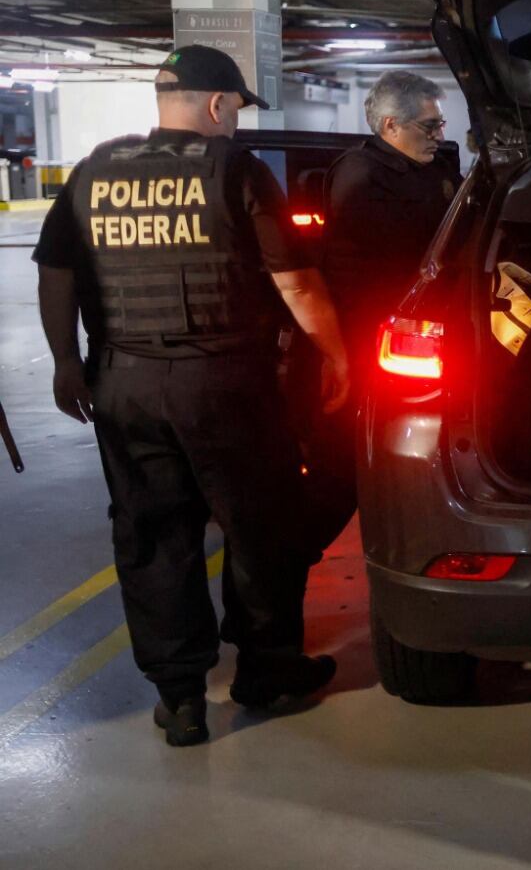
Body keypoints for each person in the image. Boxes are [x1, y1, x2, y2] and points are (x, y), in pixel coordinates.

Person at [33, 45, 350, 747]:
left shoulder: (92, 172)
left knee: (152, 537)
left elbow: (56, 274)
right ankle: (267, 673)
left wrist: (65, 362)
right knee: (259, 528)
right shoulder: (234, 170)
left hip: (124, 386)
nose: (236, 120)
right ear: (216, 104)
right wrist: (335, 355)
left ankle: (179, 698)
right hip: (225, 387)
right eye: (235, 106)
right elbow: (295, 284)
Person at [308, 70, 462, 552]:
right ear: (391, 126)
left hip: (423, 338)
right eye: (429, 126)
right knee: (350, 472)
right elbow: (376, 270)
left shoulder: (430, 167)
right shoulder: (361, 175)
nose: (439, 136)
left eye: (439, 125)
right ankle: (296, 556)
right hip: (372, 341)